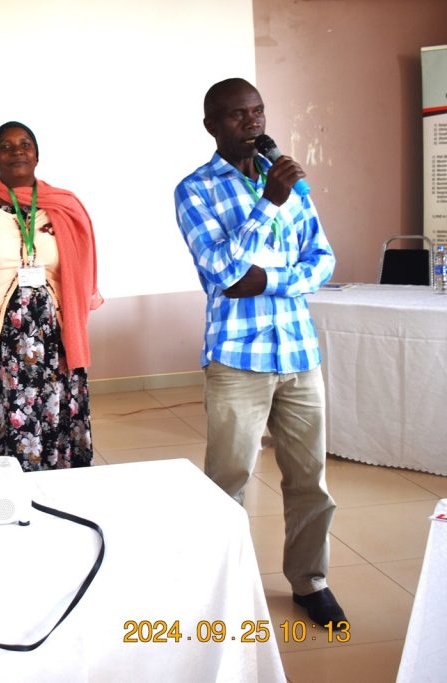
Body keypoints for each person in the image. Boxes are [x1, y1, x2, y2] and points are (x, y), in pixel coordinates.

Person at [174, 78, 346, 629]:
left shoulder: (291, 180)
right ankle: (223, 585)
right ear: (211, 126)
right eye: (235, 115)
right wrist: (267, 205)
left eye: (257, 111)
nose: (251, 123)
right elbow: (224, 273)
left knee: (310, 479)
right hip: (236, 357)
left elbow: (323, 261)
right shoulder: (195, 189)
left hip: (298, 350)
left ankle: (309, 580)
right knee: (228, 481)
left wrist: (269, 279)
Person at [0, 121, 102, 471]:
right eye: (6, 146)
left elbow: (77, 264)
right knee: (6, 420)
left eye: (25, 144)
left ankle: (59, 491)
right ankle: (7, 496)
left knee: (55, 415)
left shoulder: (61, 205)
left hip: (56, 337)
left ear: (36, 154)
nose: (17, 151)